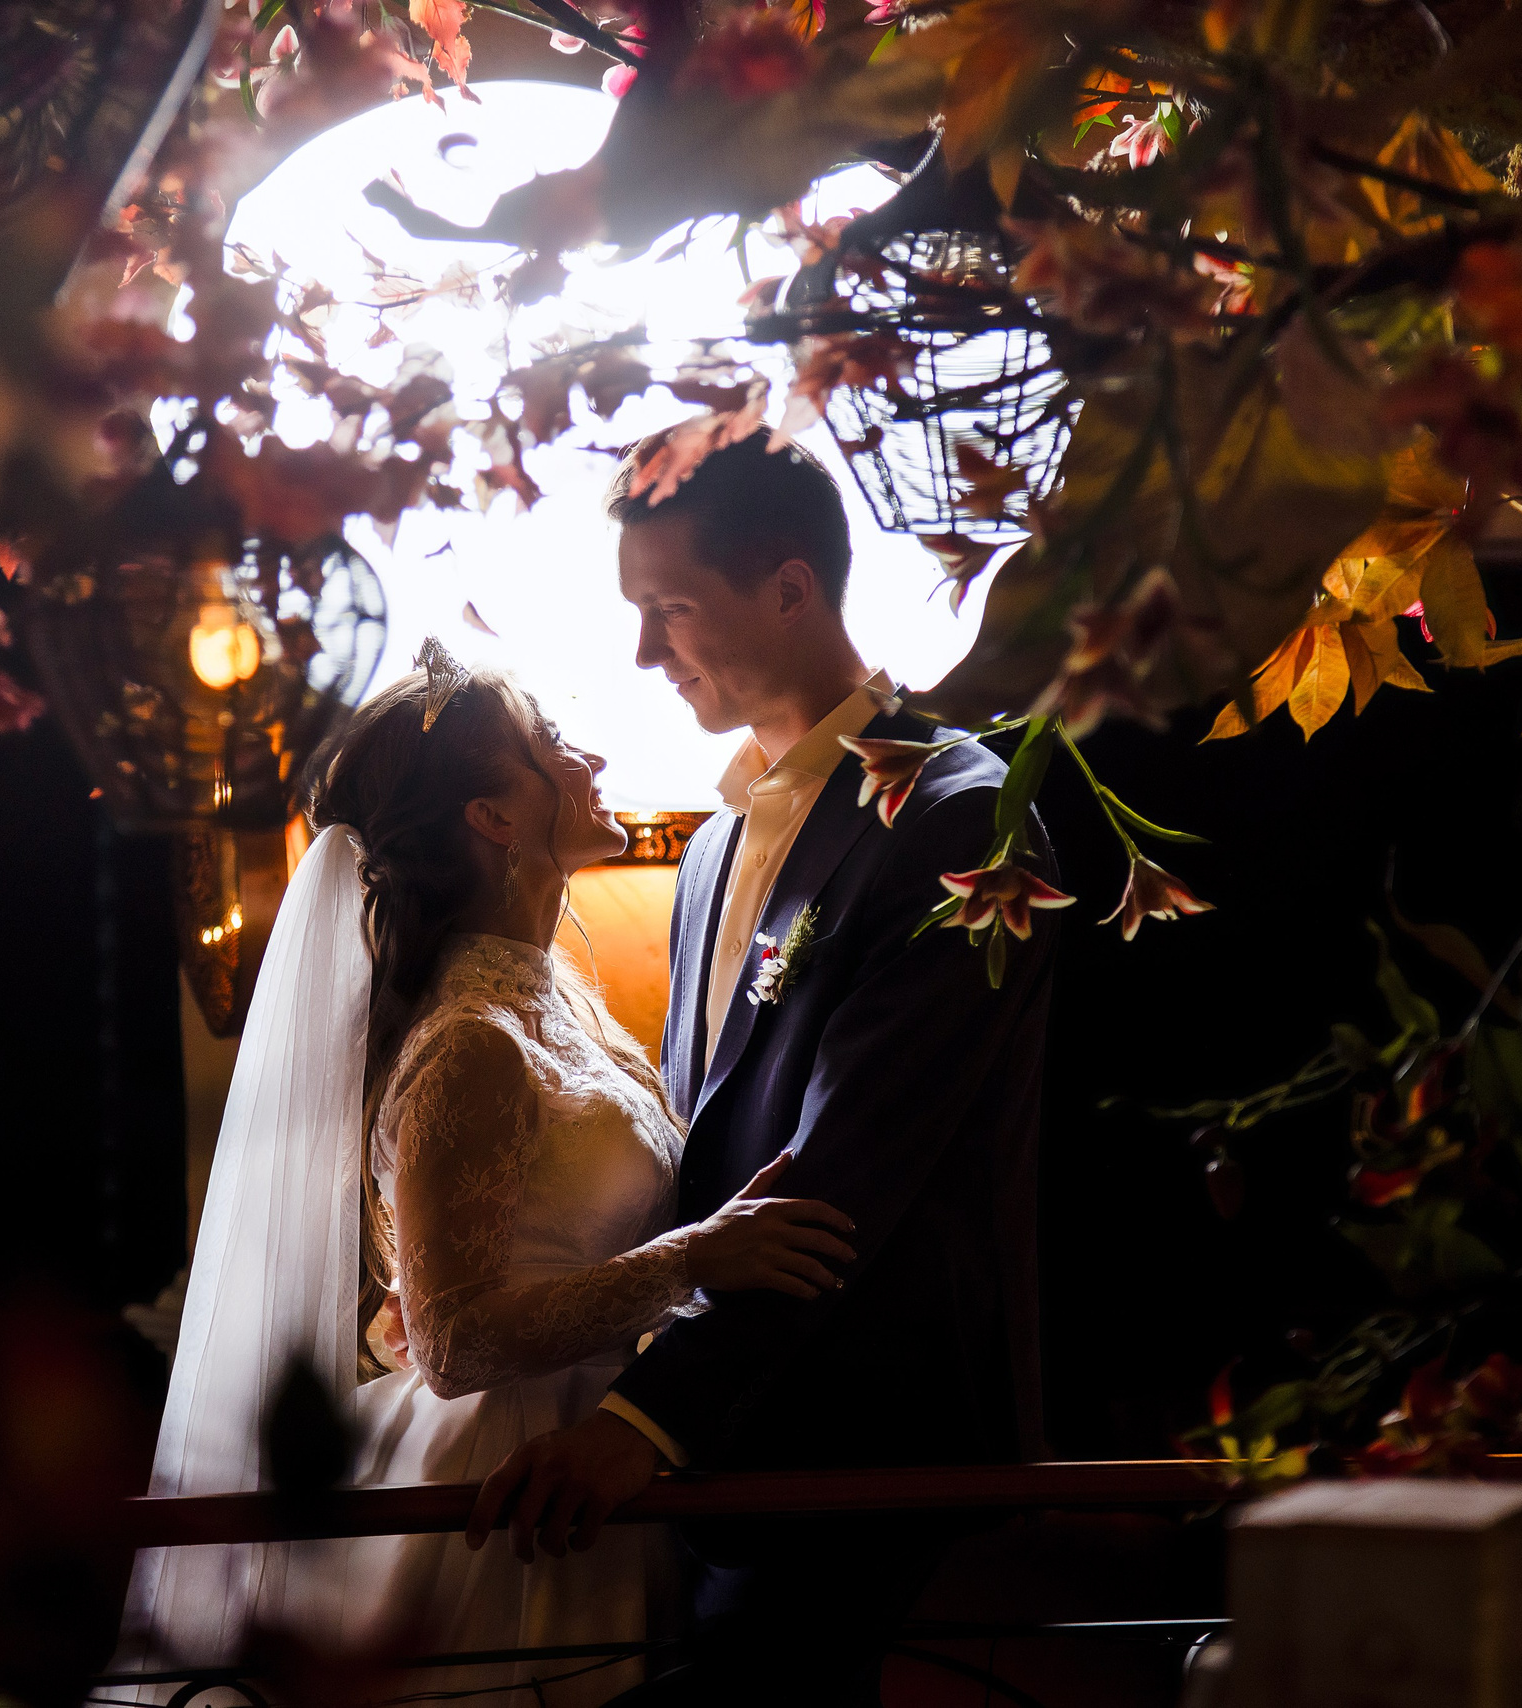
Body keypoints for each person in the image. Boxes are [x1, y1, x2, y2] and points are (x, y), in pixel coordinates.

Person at [110, 642, 858, 1707]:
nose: (589, 755)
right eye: (552, 745)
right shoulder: (471, 1042)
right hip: (503, 1483)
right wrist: (694, 1257)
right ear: (492, 817)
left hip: (601, 1453)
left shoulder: (563, 1014)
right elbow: (455, 1343)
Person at [465, 431, 1059, 1705]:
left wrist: (640, 1425)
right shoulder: (711, 844)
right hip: (725, 1431)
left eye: (668, 610)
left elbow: (852, 1170)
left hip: (864, 1427)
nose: (644, 655)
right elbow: (706, 1151)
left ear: (790, 590)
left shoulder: (962, 814)